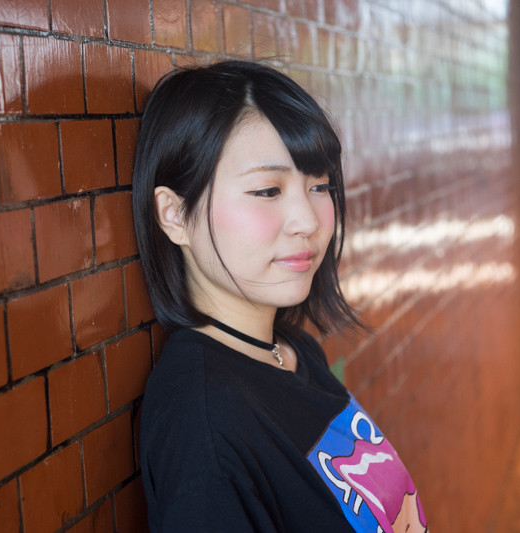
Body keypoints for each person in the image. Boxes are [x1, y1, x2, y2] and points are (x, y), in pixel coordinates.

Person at [132, 60, 428, 532]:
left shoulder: (292, 350)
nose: (307, 221)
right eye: (268, 190)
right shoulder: (204, 426)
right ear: (174, 215)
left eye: (319, 185)